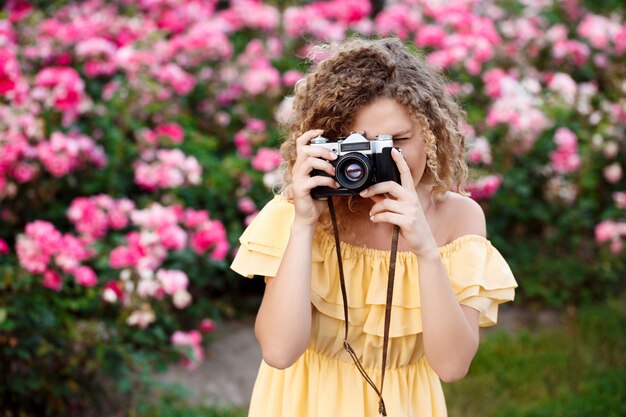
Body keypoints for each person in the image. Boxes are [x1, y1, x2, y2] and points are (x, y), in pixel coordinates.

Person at [231, 37, 518, 417]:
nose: (383, 156)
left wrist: (426, 250)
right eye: (359, 145)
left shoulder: (458, 218)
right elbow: (279, 352)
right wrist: (303, 224)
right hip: (303, 402)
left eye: (397, 140)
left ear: (431, 134)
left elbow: (452, 367)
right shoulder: (303, 211)